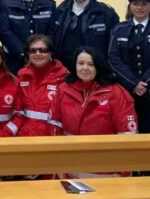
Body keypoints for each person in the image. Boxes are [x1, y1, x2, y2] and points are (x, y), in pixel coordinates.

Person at [108, 0, 150, 176]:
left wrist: (145, 83)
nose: (140, 7)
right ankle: (131, 175)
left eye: (144, 4)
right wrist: (133, 84)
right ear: (130, 6)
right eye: (136, 3)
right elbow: (113, 59)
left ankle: (149, 177)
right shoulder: (119, 29)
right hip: (126, 93)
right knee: (127, 135)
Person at [49, 47, 137, 178]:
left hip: (105, 168)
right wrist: (58, 161)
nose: (85, 68)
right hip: (71, 165)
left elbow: (127, 134)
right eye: (81, 63)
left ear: (98, 66)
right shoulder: (63, 89)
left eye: (90, 64)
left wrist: (123, 171)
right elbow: (55, 126)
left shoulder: (116, 92)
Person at [49, 0, 120, 64]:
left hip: (93, 68)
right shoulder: (60, 11)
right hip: (63, 68)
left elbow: (114, 47)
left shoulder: (106, 14)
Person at [3, 34, 68, 137]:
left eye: (42, 50)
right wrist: (3, 135)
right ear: (28, 54)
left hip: (52, 139)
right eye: (33, 50)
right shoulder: (22, 75)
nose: (37, 53)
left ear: (50, 53)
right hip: (25, 137)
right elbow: (18, 113)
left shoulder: (63, 77)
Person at [0, 0, 55, 75]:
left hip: (43, 61)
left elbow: (52, 32)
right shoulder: (6, 5)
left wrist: (39, 53)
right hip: (14, 62)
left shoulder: (49, 4)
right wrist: (23, 53)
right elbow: (5, 32)